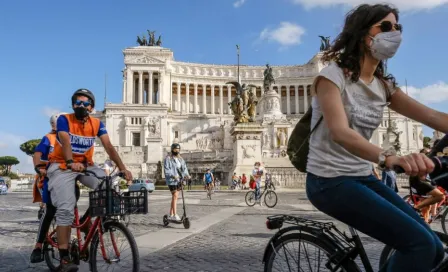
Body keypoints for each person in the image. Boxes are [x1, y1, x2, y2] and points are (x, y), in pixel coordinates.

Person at [306, 4, 448, 271]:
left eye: (397, 27)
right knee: (419, 245)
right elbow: (340, 133)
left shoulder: (383, 86)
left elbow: (431, 116)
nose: (393, 33)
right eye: (385, 27)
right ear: (362, 33)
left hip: (362, 177)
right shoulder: (331, 77)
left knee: (434, 246)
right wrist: (388, 158)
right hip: (328, 181)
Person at [47, 89, 132, 272]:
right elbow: (65, 140)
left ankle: (87, 222)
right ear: (73, 105)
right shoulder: (65, 119)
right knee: (66, 210)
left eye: (86, 104)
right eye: (78, 103)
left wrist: (123, 168)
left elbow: (108, 146)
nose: (81, 106)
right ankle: (64, 258)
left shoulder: (97, 123)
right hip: (62, 166)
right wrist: (70, 162)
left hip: (86, 165)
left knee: (106, 183)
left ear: (92, 107)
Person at [30, 113, 64, 263]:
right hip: (50, 179)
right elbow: (37, 155)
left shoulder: (69, 138)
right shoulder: (48, 138)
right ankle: (38, 246)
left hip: (66, 179)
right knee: (49, 210)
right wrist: (39, 168)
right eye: (56, 124)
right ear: (52, 125)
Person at [164, 143, 190, 221]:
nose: (177, 151)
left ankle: (171, 214)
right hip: (172, 181)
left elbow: (184, 168)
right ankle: (175, 214)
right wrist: (173, 175)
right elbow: (166, 170)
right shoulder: (168, 158)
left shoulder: (181, 159)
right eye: (175, 149)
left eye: (178, 149)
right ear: (172, 150)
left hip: (179, 180)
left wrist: (187, 175)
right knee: (175, 196)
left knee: (174, 197)